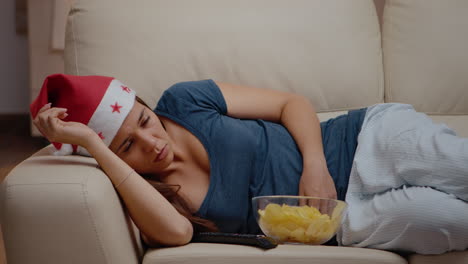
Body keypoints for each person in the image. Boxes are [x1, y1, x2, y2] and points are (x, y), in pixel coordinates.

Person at [31, 74, 468, 254]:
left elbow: (290, 103)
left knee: (456, 167)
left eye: (144, 121)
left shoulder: (184, 101)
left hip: (360, 140)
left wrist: (313, 163)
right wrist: (92, 142)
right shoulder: (147, 195)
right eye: (128, 146)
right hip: (337, 222)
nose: (152, 143)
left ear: (145, 105)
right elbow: (180, 233)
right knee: (442, 219)